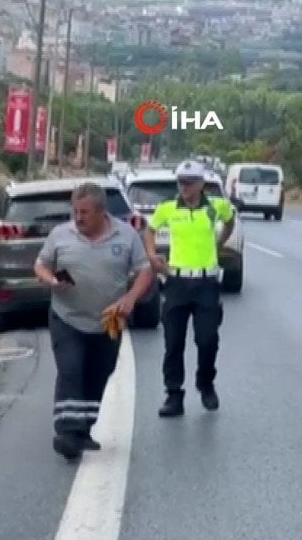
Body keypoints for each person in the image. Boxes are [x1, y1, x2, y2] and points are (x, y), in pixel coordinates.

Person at [34, 182, 154, 461]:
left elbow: (145, 271)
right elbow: (40, 264)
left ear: (102, 212)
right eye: (75, 211)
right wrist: (50, 279)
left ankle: (83, 429)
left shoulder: (126, 236)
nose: (78, 217)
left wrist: (130, 299)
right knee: (71, 368)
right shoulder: (60, 234)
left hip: (107, 322)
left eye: (84, 212)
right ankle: (66, 432)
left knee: (99, 373)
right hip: (67, 318)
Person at [143, 160, 236, 417]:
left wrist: (219, 242)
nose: (183, 187)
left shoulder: (215, 207)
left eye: (189, 182)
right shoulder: (168, 209)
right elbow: (149, 231)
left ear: (201, 184)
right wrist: (152, 256)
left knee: (207, 340)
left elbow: (230, 221)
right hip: (177, 282)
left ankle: (205, 383)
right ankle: (174, 395)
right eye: (180, 182)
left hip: (206, 283)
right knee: (173, 342)